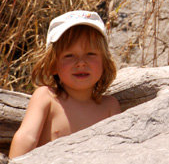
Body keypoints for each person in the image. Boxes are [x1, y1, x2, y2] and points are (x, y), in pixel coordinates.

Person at [9, 11, 120, 158]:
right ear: (53, 65)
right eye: (69, 56)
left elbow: (118, 151)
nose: (81, 63)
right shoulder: (47, 97)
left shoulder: (109, 106)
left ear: (104, 62)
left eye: (90, 54)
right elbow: (26, 138)